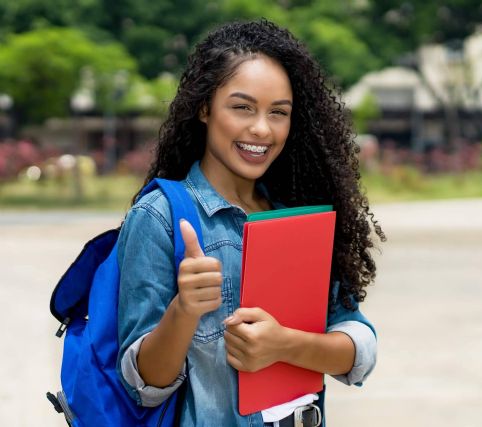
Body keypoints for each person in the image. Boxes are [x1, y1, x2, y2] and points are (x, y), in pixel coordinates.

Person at [116, 19, 385, 426]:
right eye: (242, 107)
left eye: (279, 112)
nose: (261, 129)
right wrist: (183, 311)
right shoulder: (160, 217)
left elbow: (360, 349)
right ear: (204, 107)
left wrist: (285, 345)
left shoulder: (295, 217)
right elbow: (145, 385)